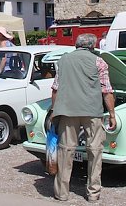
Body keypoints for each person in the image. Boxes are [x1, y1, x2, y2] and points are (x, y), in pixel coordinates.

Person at [50, 33, 116, 202]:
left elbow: (56, 88)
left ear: (77, 45)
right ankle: (93, 193)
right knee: (95, 151)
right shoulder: (99, 61)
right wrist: (112, 114)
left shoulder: (63, 60)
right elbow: (106, 90)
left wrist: (54, 111)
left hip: (68, 110)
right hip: (92, 110)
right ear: (92, 46)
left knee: (65, 150)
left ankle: (61, 193)